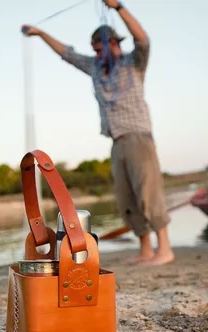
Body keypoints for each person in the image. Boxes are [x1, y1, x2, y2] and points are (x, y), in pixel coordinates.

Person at [22, 0, 174, 266]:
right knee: (126, 196)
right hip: (116, 141)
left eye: (100, 47)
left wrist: (119, 7)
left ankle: (165, 248)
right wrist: (40, 33)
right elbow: (67, 54)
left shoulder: (133, 63)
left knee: (148, 192)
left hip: (138, 136)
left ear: (114, 44)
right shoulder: (94, 68)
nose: (96, 52)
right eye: (94, 49)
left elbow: (143, 40)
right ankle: (146, 249)